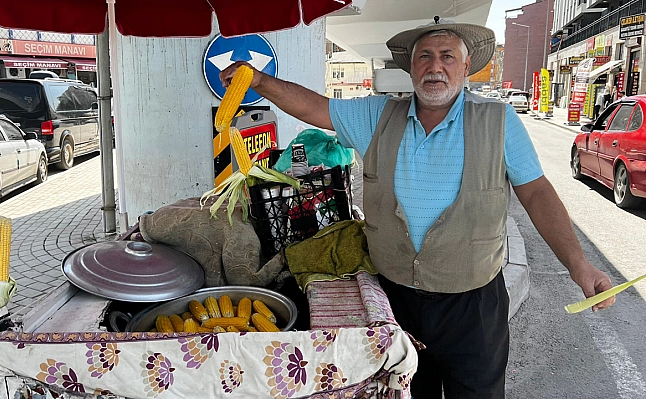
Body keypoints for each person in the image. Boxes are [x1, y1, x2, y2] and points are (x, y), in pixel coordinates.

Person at [220, 16, 615, 399]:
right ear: (410, 69)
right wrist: (258, 80)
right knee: (405, 392)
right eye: (424, 56)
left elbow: (537, 193)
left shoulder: (498, 120)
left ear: (465, 69)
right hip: (397, 301)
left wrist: (578, 264)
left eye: (447, 56)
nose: (435, 66)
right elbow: (314, 108)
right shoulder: (378, 115)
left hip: (473, 307)